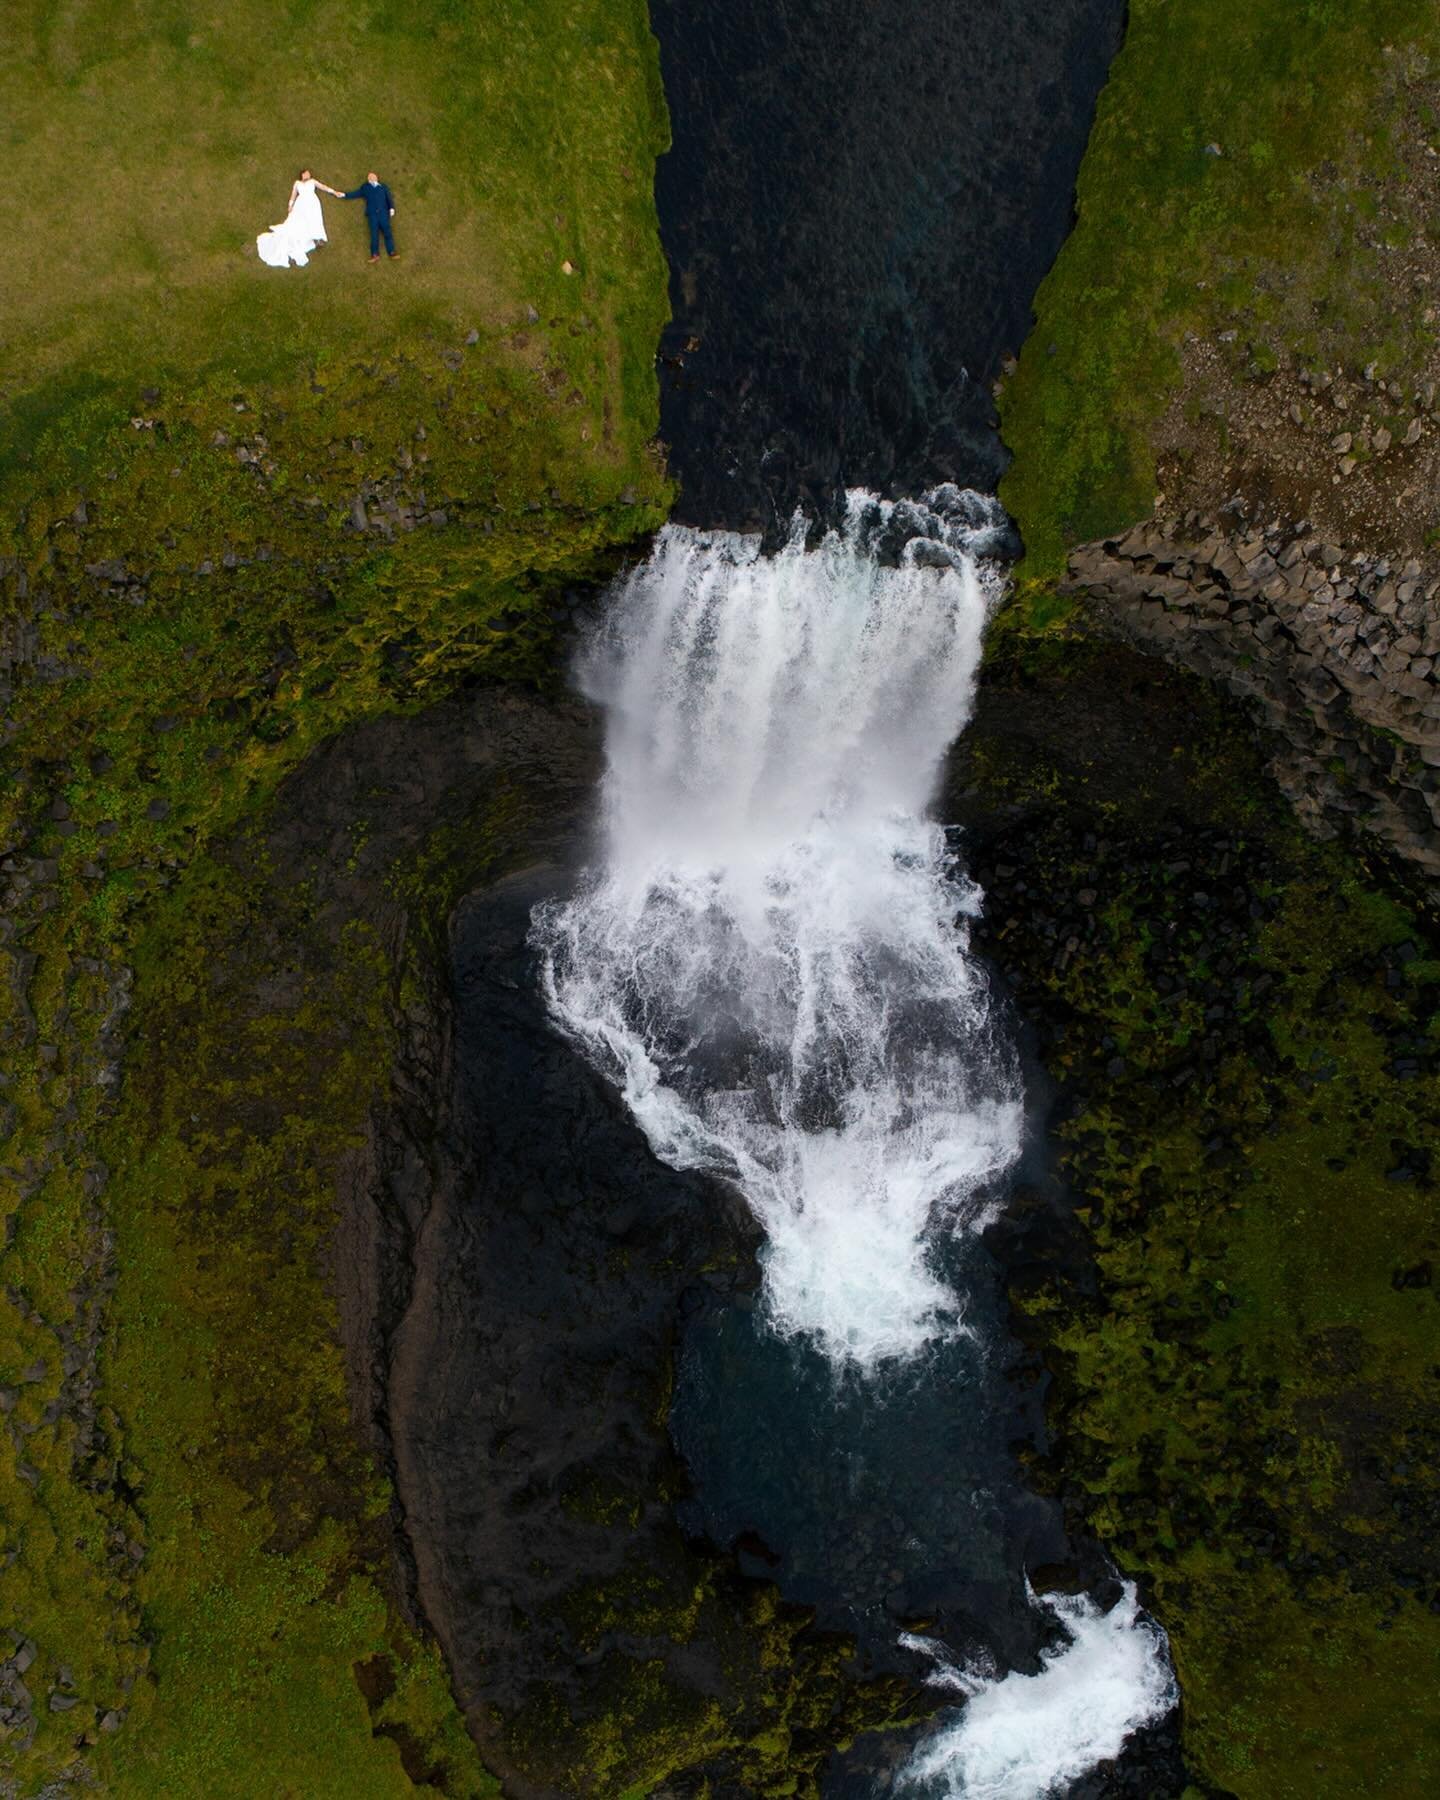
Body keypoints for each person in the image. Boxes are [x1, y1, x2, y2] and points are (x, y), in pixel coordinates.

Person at [256, 169, 343, 269]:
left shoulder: (312, 181)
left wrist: (334, 192)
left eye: (309, 173)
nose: (308, 174)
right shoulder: (297, 183)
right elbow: (293, 194)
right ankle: (307, 239)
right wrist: (290, 205)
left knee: (315, 220)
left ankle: (317, 237)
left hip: (312, 203)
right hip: (301, 203)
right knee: (298, 221)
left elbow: (323, 187)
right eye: (307, 173)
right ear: (302, 174)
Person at [341, 171, 398, 263]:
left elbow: (389, 198)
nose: (370, 178)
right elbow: (356, 193)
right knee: (374, 235)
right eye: (369, 177)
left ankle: (392, 252)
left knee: (387, 232)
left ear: (376, 178)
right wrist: (344, 195)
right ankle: (375, 254)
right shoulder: (365, 187)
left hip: (383, 214)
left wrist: (391, 208)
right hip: (372, 215)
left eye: (372, 176)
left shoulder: (383, 187)